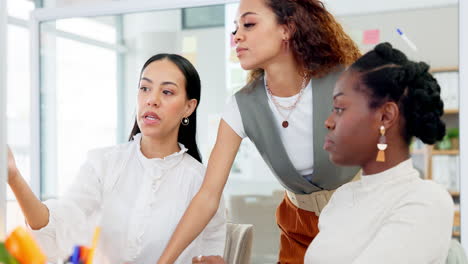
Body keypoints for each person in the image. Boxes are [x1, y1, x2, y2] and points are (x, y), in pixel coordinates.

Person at [159, 0, 361, 263]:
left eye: (250, 24)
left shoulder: (348, 82)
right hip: (300, 229)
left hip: (362, 218)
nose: (237, 36)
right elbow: (208, 195)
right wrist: (164, 261)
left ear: (287, 29)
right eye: (235, 29)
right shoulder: (242, 106)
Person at [7, 54, 226, 264]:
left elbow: (211, 254)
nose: (152, 100)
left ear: (189, 107)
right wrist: (14, 176)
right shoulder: (102, 164)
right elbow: (56, 230)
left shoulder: (203, 184)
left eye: (167, 92)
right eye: (144, 88)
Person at [304, 42, 454, 263]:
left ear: (385, 117)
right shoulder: (342, 198)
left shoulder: (426, 201)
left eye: (340, 109)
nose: (328, 122)